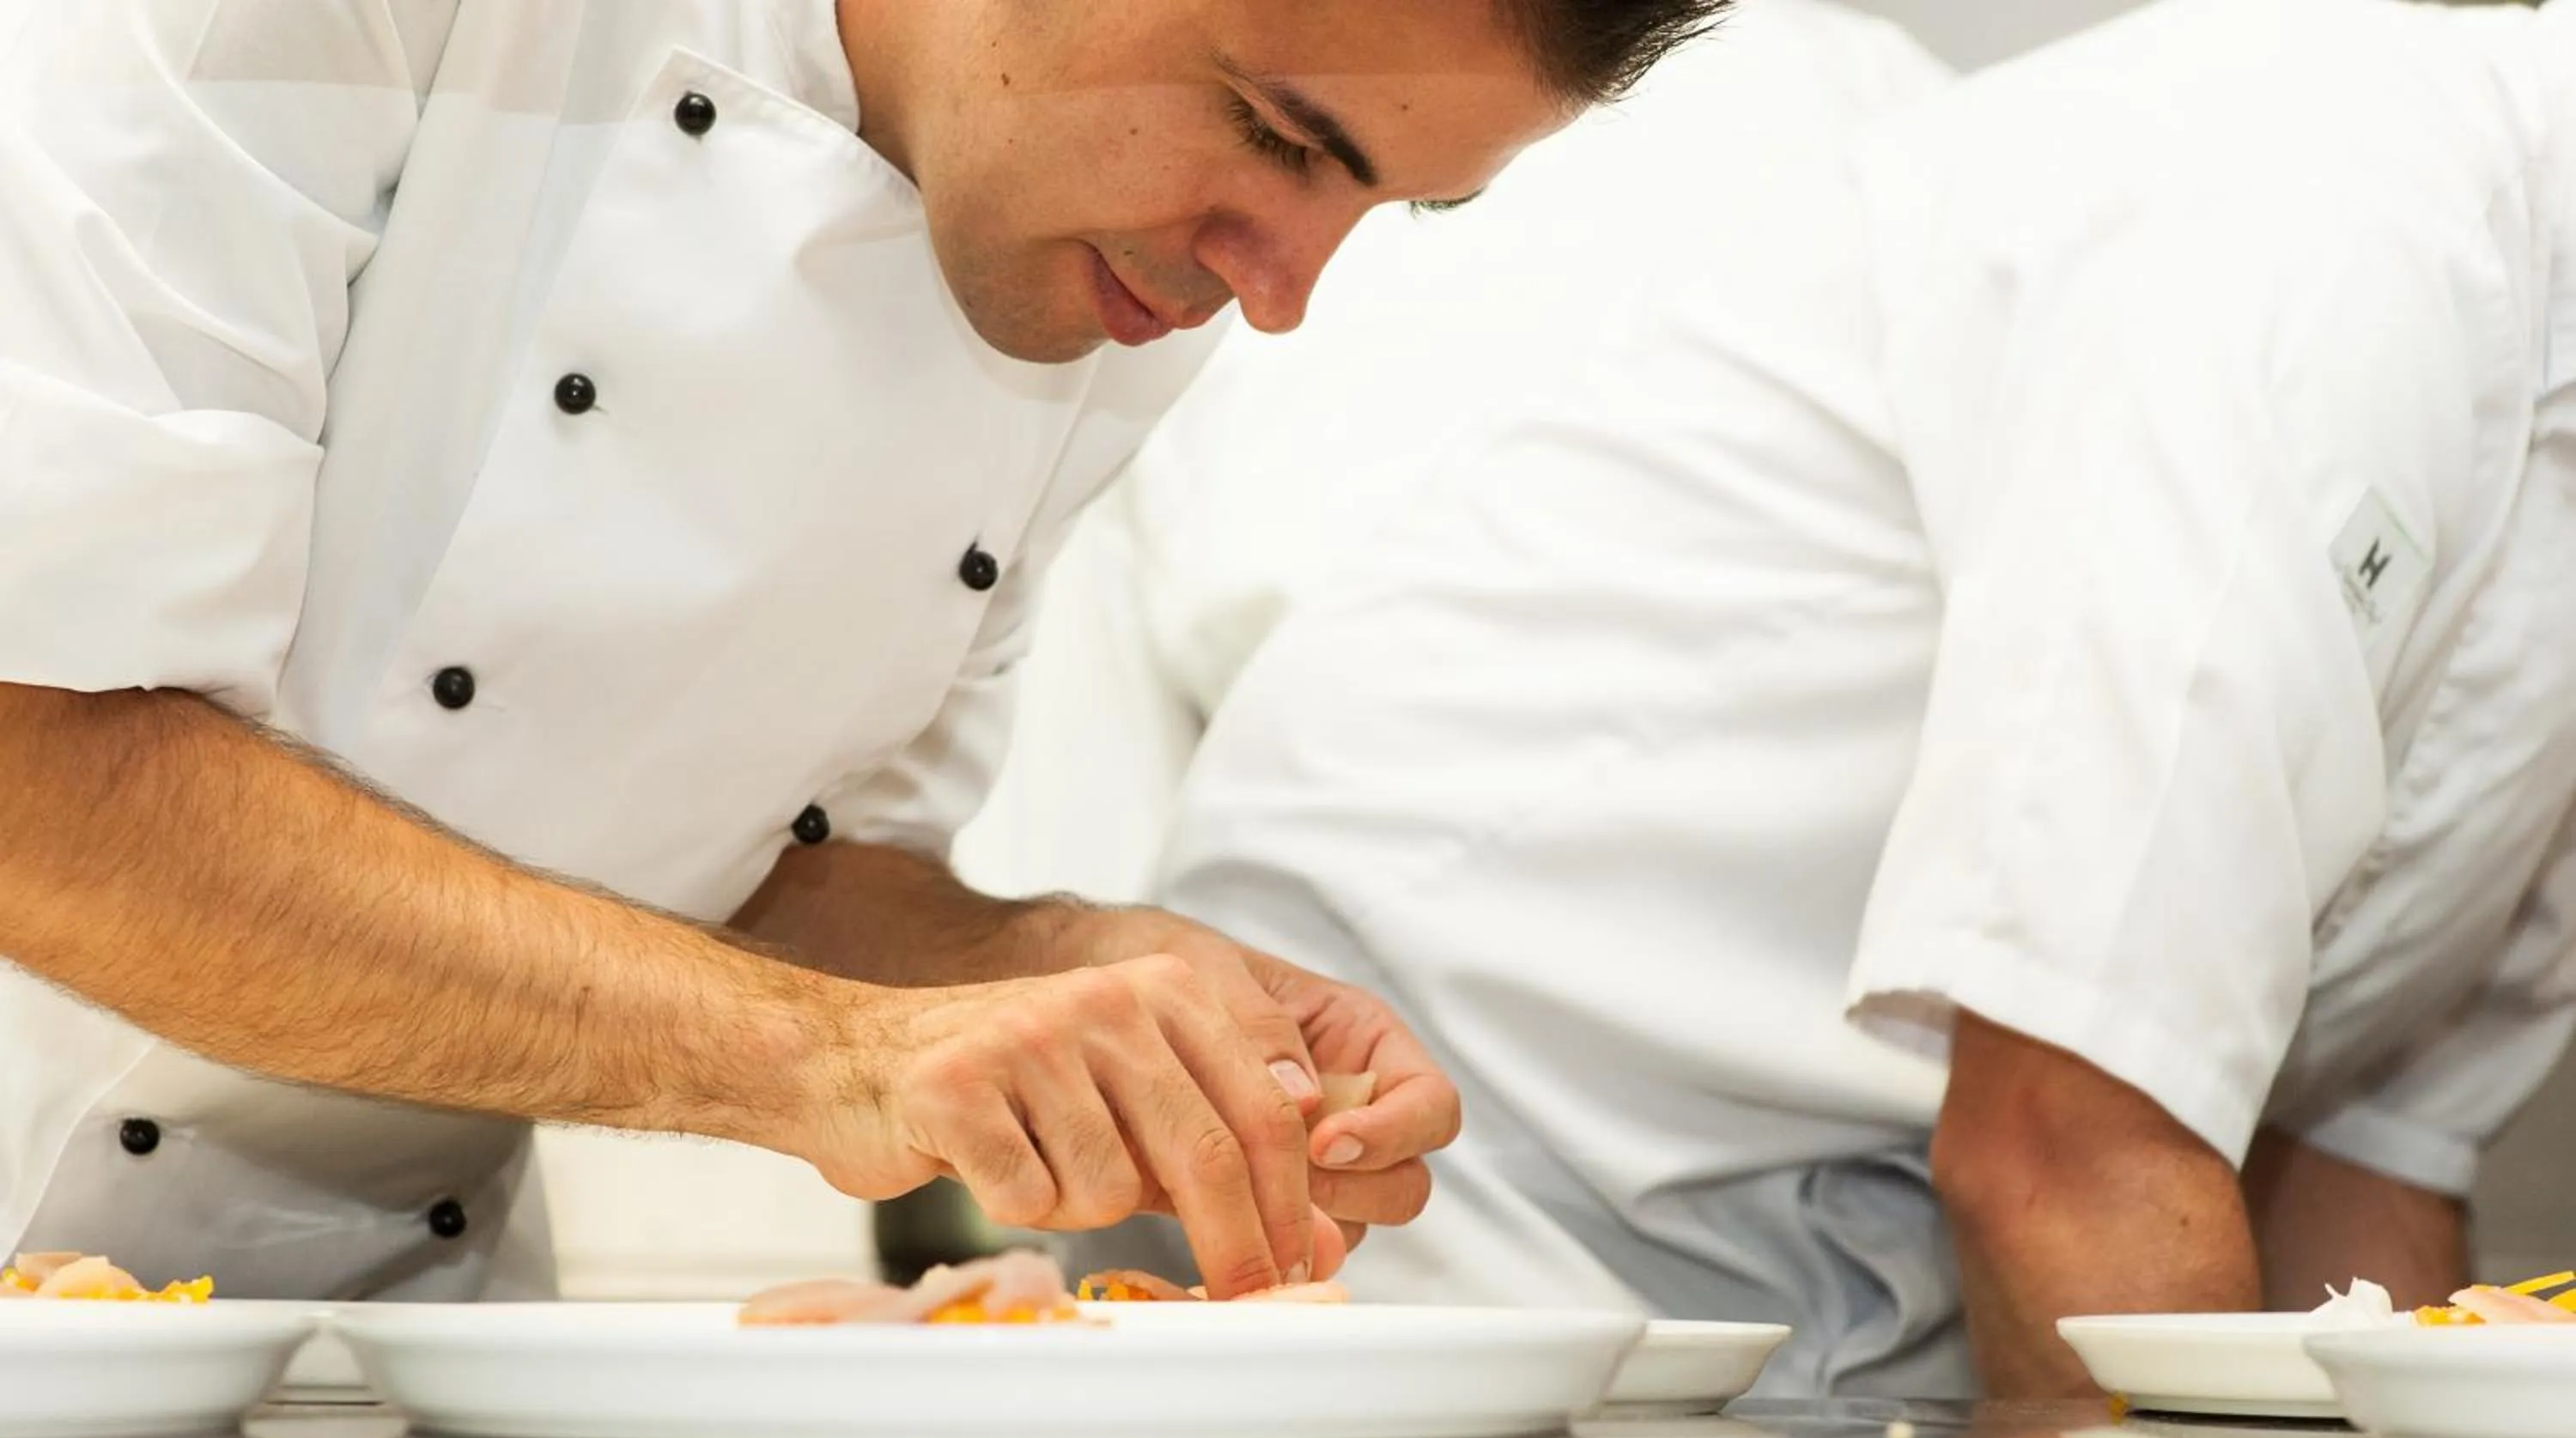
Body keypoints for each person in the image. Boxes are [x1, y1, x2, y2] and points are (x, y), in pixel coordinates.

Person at [959, 0, 2576, 1395]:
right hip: (1471, 1161)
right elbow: (2060, 1149)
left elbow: (2364, 1190)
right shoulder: (2322, 213)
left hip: (1886, 1268)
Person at [0, 0, 1726, 1305]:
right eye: (1278, 139)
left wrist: (1067, 977)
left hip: (371, 1352)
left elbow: (768, 870)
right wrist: (816, 1061)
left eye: (1390, 208)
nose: (1275, 292)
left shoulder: (1100, 283)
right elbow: (40, 777)